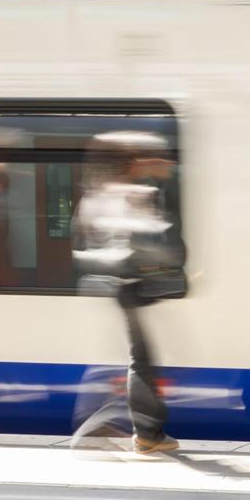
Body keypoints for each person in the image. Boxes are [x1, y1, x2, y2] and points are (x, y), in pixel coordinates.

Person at [72, 131, 183, 455]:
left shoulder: (96, 194)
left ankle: (119, 428)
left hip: (112, 286)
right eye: (138, 157)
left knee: (131, 358)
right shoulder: (128, 194)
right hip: (128, 287)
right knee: (141, 361)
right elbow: (147, 239)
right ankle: (145, 433)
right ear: (128, 163)